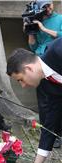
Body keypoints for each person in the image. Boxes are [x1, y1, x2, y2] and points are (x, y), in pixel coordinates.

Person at [6, 37, 62, 163]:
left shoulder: (58, 49)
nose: (23, 86)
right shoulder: (44, 88)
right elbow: (48, 127)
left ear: (29, 68)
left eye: (21, 79)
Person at [25, 0, 62, 148]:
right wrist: (30, 31)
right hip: (40, 64)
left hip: (56, 62)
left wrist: (43, 28)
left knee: (57, 100)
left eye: (50, 4)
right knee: (43, 102)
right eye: (45, 6)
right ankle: (48, 133)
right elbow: (33, 46)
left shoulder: (59, 19)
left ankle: (58, 133)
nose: (49, 8)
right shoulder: (36, 19)